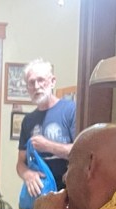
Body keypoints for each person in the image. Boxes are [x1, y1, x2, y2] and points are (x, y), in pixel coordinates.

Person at [17, 59, 77, 196]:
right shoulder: (28, 121)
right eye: (31, 82)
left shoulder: (71, 110)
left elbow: (80, 152)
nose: (36, 86)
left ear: (52, 82)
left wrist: (47, 146)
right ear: (27, 88)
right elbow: (20, 163)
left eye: (41, 80)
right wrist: (27, 174)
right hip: (39, 194)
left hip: (69, 193)